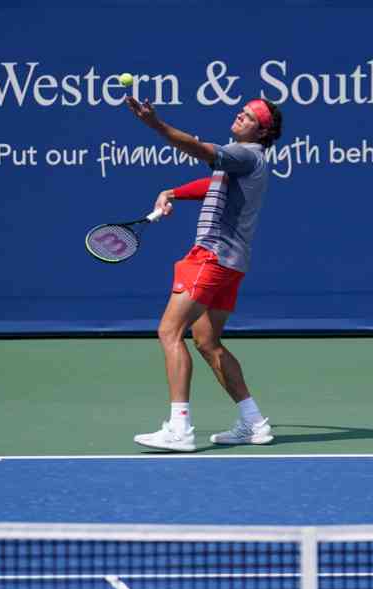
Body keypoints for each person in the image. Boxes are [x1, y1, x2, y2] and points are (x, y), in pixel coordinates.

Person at [125, 94, 283, 453]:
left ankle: (179, 428)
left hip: (211, 257)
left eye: (248, 117)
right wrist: (173, 193)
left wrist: (156, 125)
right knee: (207, 342)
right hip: (232, 264)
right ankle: (254, 422)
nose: (240, 117)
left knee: (169, 331)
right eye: (241, 112)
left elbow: (198, 149)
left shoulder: (244, 153)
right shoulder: (247, 160)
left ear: (261, 131)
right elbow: (215, 185)